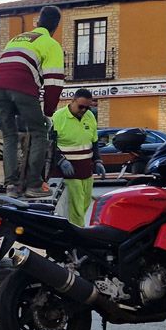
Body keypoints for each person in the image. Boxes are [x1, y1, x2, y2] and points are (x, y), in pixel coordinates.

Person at [0, 6, 66, 198]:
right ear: (55, 26)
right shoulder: (50, 43)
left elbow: (6, 66)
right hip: (21, 85)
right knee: (39, 132)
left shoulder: (17, 39)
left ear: (38, 22)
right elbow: (54, 83)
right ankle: (33, 185)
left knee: (9, 136)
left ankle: (11, 186)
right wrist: (47, 111)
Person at [52, 89, 101, 227]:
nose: (84, 110)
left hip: (86, 172)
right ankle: (77, 238)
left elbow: (94, 141)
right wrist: (61, 161)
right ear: (72, 101)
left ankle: (75, 230)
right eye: (81, 106)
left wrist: (98, 160)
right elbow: (48, 145)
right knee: (77, 211)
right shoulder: (58, 117)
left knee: (84, 205)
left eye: (87, 107)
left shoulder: (90, 116)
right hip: (69, 174)